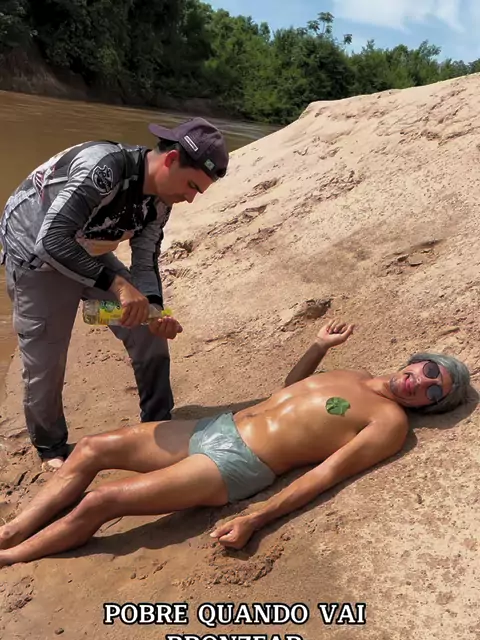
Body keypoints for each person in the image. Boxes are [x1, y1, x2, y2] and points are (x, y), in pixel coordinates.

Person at [0, 321, 471, 568]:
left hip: (238, 462)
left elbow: (326, 474)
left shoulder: (389, 423)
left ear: (429, 407)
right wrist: (318, 347)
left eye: (435, 392)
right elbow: (287, 392)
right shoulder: (356, 373)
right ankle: (13, 530)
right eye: (430, 371)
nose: (423, 383)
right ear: (418, 360)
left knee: (103, 500)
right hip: (217, 427)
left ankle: (11, 556)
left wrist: (256, 518)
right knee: (91, 449)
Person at [0, 118, 229, 470]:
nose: (190, 198)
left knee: (149, 328)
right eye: (191, 186)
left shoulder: (161, 200)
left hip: (85, 244)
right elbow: (52, 240)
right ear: (170, 160)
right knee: (46, 356)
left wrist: (154, 309)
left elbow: (146, 257)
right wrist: (118, 285)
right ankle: (51, 446)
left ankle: (158, 421)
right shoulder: (104, 169)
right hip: (34, 250)